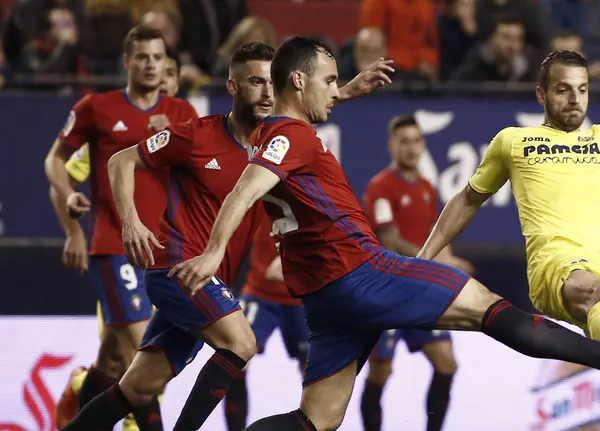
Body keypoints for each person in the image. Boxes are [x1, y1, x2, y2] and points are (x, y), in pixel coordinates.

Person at [170, 36, 600, 431]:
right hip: (360, 270)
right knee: (490, 309)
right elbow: (246, 188)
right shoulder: (294, 137)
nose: (336, 87)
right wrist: (216, 252)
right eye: (329, 80)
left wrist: (343, 93)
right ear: (301, 82)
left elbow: (289, 127)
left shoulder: (268, 132)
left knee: (316, 419)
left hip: (323, 293)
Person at [59, 41, 394, 430]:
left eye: (272, 82)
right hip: (178, 267)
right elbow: (121, 160)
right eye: (255, 82)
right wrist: (130, 220)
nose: (267, 92)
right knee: (241, 343)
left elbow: (307, 105)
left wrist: (347, 89)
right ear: (233, 87)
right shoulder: (196, 135)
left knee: (137, 387)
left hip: (211, 279)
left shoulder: (273, 144)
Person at [419, 9, 600, 431]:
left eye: (582, 90)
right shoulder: (514, 142)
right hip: (555, 268)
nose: (575, 99)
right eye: (563, 90)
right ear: (541, 95)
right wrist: (424, 257)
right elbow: (468, 200)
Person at [44, 25, 198, 430]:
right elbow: (55, 160)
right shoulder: (97, 107)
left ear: (167, 63)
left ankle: (77, 404)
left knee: (113, 361)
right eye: (142, 57)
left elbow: (199, 175)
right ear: (127, 61)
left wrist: (172, 141)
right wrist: (70, 207)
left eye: (157, 57)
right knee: (141, 355)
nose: (150, 64)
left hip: (164, 252)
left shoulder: (182, 115)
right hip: (114, 246)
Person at [360, 114, 472, 431]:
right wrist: (437, 261)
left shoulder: (425, 187)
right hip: (387, 292)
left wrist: (452, 262)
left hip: (419, 292)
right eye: (404, 141)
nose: (411, 148)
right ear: (391, 146)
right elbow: (389, 240)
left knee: (446, 363)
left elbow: (436, 236)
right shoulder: (380, 187)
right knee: (381, 372)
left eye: (416, 140)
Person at [225, 221, 309, 430]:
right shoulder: (259, 194)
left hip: (303, 297)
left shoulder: (315, 196)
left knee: (314, 371)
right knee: (236, 360)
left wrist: (294, 259)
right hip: (260, 291)